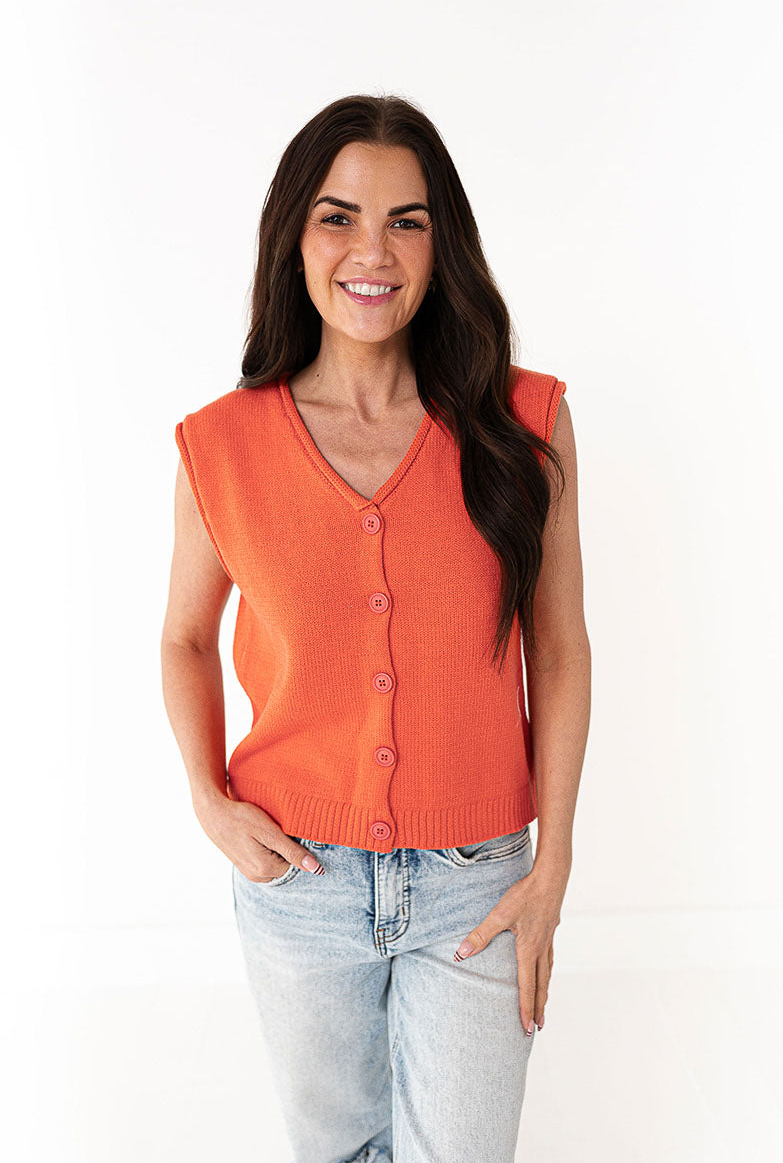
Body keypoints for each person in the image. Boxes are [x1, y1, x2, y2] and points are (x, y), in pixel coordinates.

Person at [161, 93, 591, 1163]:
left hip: (479, 883)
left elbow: (560, 649)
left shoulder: (524, 422)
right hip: (296, 878)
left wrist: (552, 870)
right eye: (338, 217)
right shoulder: (223, 445)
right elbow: (183, 637)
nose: (373, 251)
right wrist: (209, 799)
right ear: (294, 238)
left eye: (407, 220)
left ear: (443, 244)